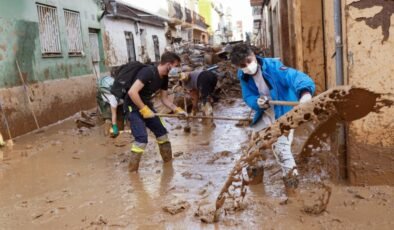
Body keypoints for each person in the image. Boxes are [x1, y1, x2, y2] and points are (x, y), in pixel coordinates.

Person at [230, 43, 315, 188]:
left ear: (254, 56)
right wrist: (257, 102)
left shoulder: (273, 67)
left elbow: (295, 77)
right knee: (253, 150)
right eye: (242, 65)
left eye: (249, 61)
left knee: (281, 150)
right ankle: (256, 183)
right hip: (265, 112)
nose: (247, 66)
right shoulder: (243, 76)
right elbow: (248, 96)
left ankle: (292, 190)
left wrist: (305, 93)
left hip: (283, 113)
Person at [126, 52, 187, 172]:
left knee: (162, 133)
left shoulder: (164, 78)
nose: (177, 69)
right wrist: (143, 109)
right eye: (176, 66)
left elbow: (164, 99)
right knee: (141, 139)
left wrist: (177, 109)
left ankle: (169, 167)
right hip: (132, 106)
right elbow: (132, 92)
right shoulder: (148, 72)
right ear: (169, 64)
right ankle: (132, 172)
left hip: (146, 106)